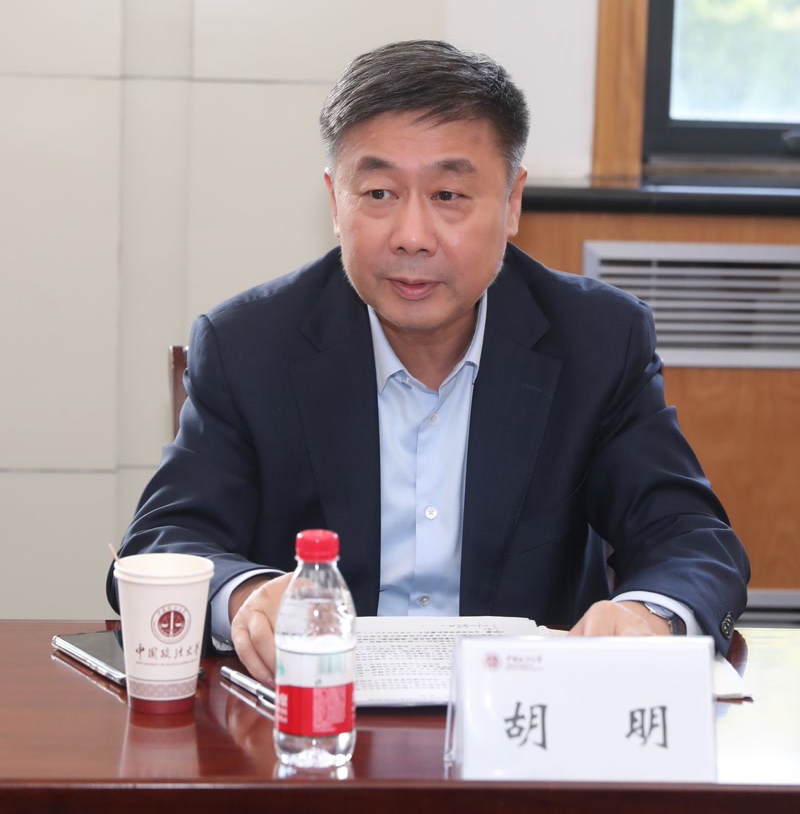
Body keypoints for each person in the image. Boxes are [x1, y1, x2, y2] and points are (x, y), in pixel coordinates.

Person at [108, 39, 749, 682]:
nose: (412, 237)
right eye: (379, 192)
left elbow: (689, 537)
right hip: (314, 710)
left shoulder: (597, 340)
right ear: (335, 202)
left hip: (519, 714)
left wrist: (648, 614)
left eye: (448, 194)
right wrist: (246, 598)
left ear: (512, 202)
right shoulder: (249, 346)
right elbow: (164, 545)